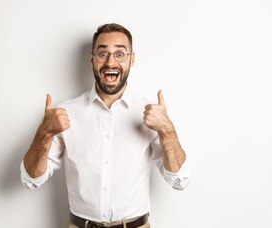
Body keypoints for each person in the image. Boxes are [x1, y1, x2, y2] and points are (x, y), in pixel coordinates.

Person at [20, 23, 190, 228]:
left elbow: (179, 180)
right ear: (91, 58)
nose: (111, 62)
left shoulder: (150, 113)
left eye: (120, 53)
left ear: (131, 60)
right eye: (103, 53)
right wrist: (44, 133)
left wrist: (167, 130)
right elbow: (31, 180)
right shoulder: (66, 113)